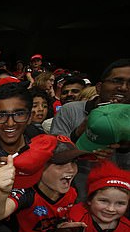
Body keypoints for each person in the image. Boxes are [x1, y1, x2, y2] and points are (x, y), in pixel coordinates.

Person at [0, 135, 96, 232]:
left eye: (74, 162)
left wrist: (65, 230)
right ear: (39, 167)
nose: (71, 169)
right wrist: (3, 191)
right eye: (61, 164)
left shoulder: (73, 193)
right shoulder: (26, 192)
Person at [49, 58, 130, 201]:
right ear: (99, 87)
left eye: (129, 83)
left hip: (115, 205)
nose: (123, 87)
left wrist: (124, 148)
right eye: (117, 81)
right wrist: (80, 133)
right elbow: (52, 155)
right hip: (74, 198)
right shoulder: (71, 110)